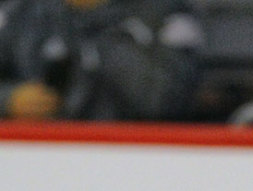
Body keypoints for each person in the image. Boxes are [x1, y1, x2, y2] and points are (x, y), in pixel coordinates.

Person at [0, 0, 203, 121]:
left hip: (139, 154)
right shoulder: (19, 11)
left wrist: (101, 32)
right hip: (37, 155)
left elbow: (165, 102)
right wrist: (8, 100)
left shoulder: (164, 12)